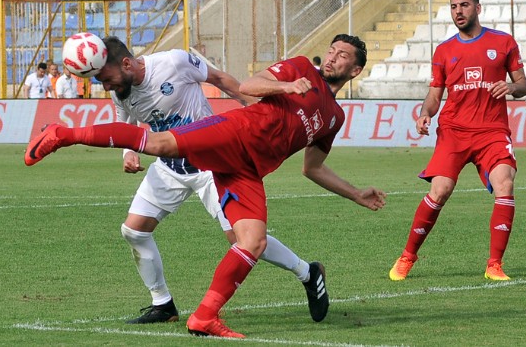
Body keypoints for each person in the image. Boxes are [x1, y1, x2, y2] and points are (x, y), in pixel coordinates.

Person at [24, 33, 386, 338]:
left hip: (246, 168)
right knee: (160, 146)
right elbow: (249, 85)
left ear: (355, 70)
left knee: (251, 241)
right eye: (333, 50)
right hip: (233, 135)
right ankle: (63, 134)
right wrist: (286, 85)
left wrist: (356, 193)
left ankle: (210, 314)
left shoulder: (334, 117)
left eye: (344, 56)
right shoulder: (303, 68)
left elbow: (314, 168)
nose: (334, 56)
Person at [66, 36, 329, 325]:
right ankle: (162, 304)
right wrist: (128, 152)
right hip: (169, 167)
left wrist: (255, 109)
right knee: (134, 231)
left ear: (127, 63)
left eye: (107, 78)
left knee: (243, 239)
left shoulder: (173, 62)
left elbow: (219, 79)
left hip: (211, 164)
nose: (106, 86)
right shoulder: (121, 92)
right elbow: (124, 121)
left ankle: (308, 272)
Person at [388, 0, 526, 283]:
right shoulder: (444, 51)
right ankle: (407, 257)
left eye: (464, 5)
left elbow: (523, 85)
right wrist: (426, 113)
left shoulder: (503, 43)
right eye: (453, 7)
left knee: (504, 183)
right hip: (454, 131)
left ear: (478, 8)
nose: (458, 11)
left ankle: (494, 265)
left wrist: (512, 87)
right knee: (439, 191)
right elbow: (434, 95)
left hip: (492, 130)